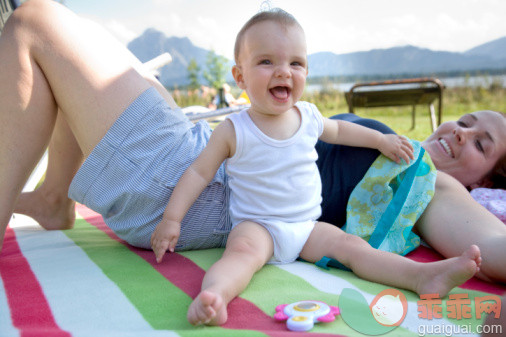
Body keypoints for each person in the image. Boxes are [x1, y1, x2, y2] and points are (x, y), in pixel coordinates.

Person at [0, 0, 504, 305]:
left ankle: (419, 280)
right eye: (465, 121)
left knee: (35, 22)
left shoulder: (437, 185)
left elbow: (492, 245)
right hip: (203, 166)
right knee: (88, 53)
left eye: (482, 143)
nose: (462, 133)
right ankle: (53, 200)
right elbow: (328, 131)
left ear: (486, 184)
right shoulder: (374, 139)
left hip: (216, 196)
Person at [149, 8, 483, 326]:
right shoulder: (234, 129)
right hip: (258, 227)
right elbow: (199, 172)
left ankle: (422, 277)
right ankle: (215, 296)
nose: (284, 71)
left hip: (308, 226)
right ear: (240, 76)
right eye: (266, 61)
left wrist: (380, 141)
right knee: (239, 257)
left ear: (306, 72)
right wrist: (172, 218)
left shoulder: (307, 116)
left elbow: (341, 131)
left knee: (353, 248)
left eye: (296, 63)